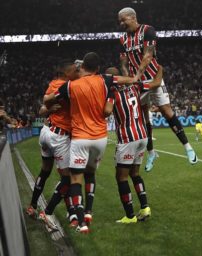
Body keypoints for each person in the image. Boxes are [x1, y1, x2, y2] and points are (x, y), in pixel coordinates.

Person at [44, 52, 138, 234]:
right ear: (97, 68)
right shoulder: (105, 79)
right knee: (91, 174)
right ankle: (89, 212)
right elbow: (130, 80)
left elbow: (47, 99)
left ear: (82, 66)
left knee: (75, 179)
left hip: (80, 138)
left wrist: (52, 103)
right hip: (100, 139)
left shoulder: (70, 85)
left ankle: (82, 223)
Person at [118, 7, 198, 172]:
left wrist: (137, 76)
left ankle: (188, 148)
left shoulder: (148, 30)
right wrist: (128, 79)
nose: (121, 23)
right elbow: (124, 63)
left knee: (167, 111)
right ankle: (151, 152)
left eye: (123, 19)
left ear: (132, 17)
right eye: (119, 20)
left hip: (153, 78)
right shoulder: (122, 39)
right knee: (144, 118)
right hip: (136, 83)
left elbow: (148, 55)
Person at [104, 66, 162, 223]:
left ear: (112, 79)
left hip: (127, 138)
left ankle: (130, 216)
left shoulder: (111, 93)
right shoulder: (136, 86)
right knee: (135, 174)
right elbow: (156, 83)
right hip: (142, 136)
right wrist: (159, 68)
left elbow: (107, 112)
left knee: (121, 177)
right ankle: (144, 207)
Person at [26, 59, 79, 229]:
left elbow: (43, 108)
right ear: (66, 73)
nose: (77, 71)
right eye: (74, 69)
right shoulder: (71, 86)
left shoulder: (54, 83)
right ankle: (47, 213)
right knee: (68, 178)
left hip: (46, 132)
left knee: (45, 171)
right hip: (59, 136)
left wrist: (48, 109)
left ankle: (32, 206)